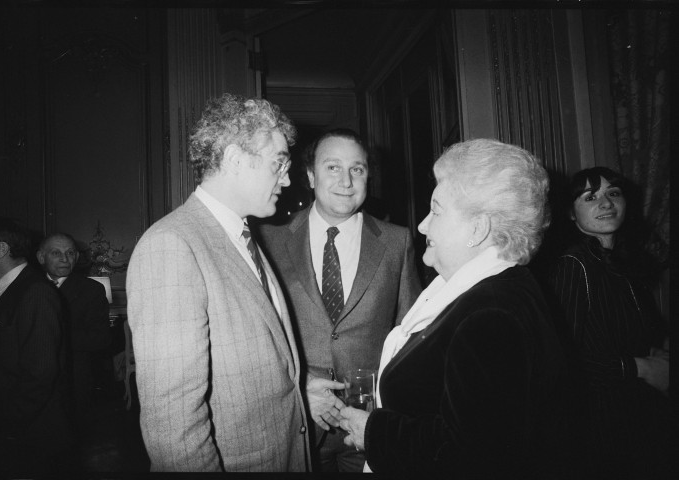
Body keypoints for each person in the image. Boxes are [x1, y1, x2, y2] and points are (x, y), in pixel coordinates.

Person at [338, 139, 571, 477]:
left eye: (436, 210)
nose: (422, 225)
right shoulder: (484, 290)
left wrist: (373, 432)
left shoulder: (490, 314)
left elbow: (474, 456)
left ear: (477, 229)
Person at [126, 93, 332, 472]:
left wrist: (297, 389)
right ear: (236, 159)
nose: (287, 180)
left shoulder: (243, 237)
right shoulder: (172, 245)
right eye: (279, 163)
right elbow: (174, 427)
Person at [258, 128, 421, 472]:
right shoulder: (269, 241)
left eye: (357, 169)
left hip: (367, 426)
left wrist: (389, 412)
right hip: (298, 421)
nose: (346, 180)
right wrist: (299, 386)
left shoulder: (396, 242)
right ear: (310, 175)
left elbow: (411, 334)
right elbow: (259, 337)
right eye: (332, 167)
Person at [546, 167, 677, 479]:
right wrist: (641, 367)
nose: (605, 203)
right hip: (600, 431)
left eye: (613, 193)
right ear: (571, 214)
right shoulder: (573, 265)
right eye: (590, 197)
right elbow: (561, 361)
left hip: (640, 422)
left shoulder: (626, 266)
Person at [0, 218, 75, 474]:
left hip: (21, 434)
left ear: (0, 250)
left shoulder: (35, 292)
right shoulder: (2, 287)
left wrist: (3, 422)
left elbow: (40, 374)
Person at [37, 232, 111, 430]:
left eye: (70, 253)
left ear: (77, 257)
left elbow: (100, 338)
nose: (64, 258)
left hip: (73, 382)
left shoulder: (91, 290)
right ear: (41, 257)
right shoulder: (29, 287)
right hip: (33, 384)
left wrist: (51, 337)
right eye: (56, 253)